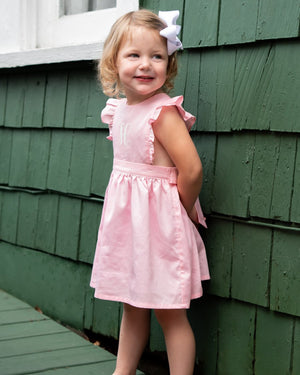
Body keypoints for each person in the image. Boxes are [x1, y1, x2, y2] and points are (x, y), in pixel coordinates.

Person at [90, 9, 210, 375]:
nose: (146, 65)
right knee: (131, 305)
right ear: (113, 62)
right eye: (134, 55)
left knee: (170, 313)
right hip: (129, 230)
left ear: (168, 64)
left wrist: (179, 209)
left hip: (160, 229)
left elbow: (191, 169)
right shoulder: (119, 111)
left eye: (157, 56)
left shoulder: (163, 113)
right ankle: (121, 372)